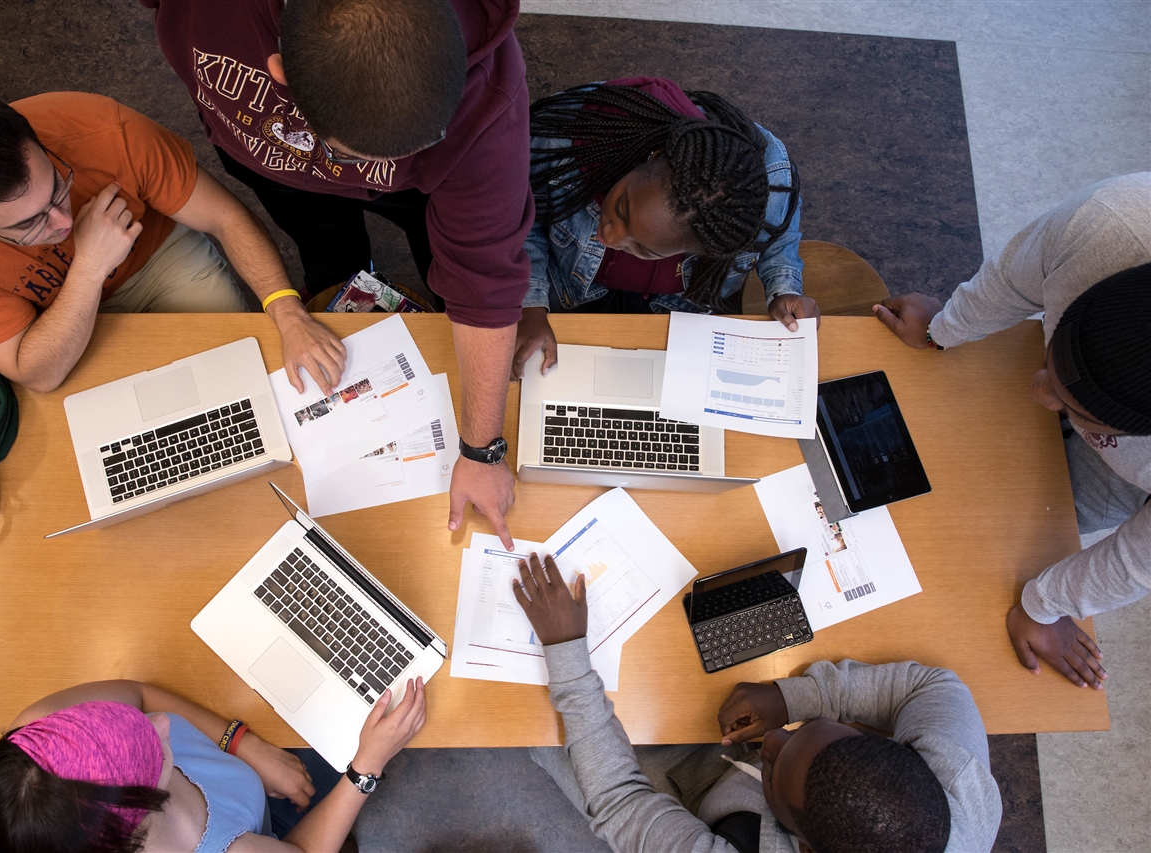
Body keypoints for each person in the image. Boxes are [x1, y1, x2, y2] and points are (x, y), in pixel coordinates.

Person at [142, 0, 535, 549]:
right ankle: (343, 266)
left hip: (421, 191)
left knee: (438, 263)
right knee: (326, 252)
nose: (360, 176)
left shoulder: (487, 103)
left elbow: (483, 279)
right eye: (350, 155)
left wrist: (481, 451)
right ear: (281, 71)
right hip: (272, 160)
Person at [514, 553, 1002, 853]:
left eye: (774, 766)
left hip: (690, 813)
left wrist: (567, 655)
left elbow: (621, 800)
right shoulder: (959, 787)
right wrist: (792, 700)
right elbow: (931, 687)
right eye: (797, 734)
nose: (771, 739)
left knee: (534, 724)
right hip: (729, 792)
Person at [873, 173, 1150, 690]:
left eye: (1075, 408)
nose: (1038, 395)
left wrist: (1042, 605)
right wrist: (941, 331)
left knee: (1041, 517)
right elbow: (1014, 280)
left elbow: (1138, 561)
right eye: (1052, 363)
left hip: (1127, 477)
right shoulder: (1106, 225)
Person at [0, 87, 345, 396]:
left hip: (158, 257)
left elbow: (225, 217)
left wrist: (287, 313)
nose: (64, 221)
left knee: (238, 371)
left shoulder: (102, 128)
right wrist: (89, 267)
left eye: (57, 186)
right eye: (29, 223)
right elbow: (37, 373)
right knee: (112, 416)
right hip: (51, 314)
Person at [512, 78, 819, 380]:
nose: (610, 236)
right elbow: (515, 216)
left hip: (673, 311)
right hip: (568, 289)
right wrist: (530, 305)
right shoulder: (565, 137)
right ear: (654, 155)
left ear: (706, 248)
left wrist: (784, 289)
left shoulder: (765, 187)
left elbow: (776, 241)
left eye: (643, 248)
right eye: (622, 207)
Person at [0, 678, 426, 852]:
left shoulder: (43, 733)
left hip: (251, 782)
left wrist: (242, 743)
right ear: (140, 818)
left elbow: (140, 694)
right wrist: (367, 767)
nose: (161, 722)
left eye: (130, 722)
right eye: (153, 750)